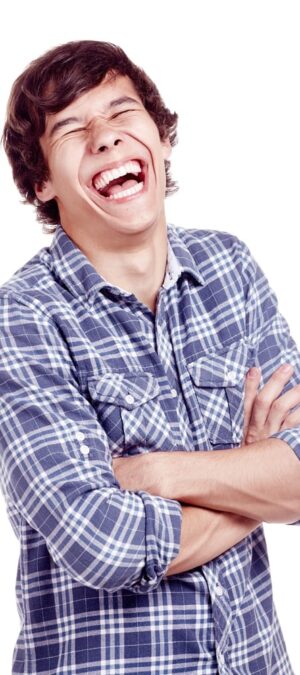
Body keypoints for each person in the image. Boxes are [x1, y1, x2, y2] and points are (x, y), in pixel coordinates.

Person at [1, 39, 299, 675]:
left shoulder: (231, 268)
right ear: (43, 182)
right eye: (73, 128)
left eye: (121, 112)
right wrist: (254, 470)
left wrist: (157, 474)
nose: (105, 138)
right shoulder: (21, 316)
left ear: (161, 139)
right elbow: (102, 541)